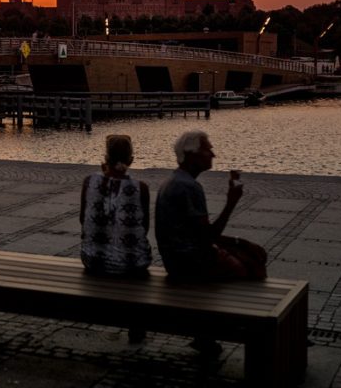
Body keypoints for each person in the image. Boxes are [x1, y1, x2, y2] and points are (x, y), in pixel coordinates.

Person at [155, 130, 268, 356]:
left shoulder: (174, 180)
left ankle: (205, 334)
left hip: (176, 257)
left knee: (251, 250)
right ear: (192, 155)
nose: (213, 154)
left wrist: (237, 241)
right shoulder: (189, 187)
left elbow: (198, 233)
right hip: (191, 263)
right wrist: (231, 202)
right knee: (254, 264)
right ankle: (256, 329)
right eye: (208, 149)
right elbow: (208, 237)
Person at [80, 134, 152, 343]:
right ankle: (136, 327)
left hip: (93, 259)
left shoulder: (89, 182)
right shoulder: (141, 188)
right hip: (131, 265)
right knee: (134, 259)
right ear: (131, 159)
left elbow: (82, 220)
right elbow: (143, 228)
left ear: (106, 157)